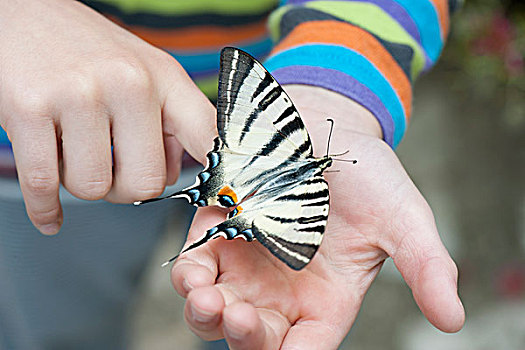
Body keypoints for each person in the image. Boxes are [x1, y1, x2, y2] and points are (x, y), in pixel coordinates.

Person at [0, 0, 465, 349]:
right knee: (56, 322)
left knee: (244, 324)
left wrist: (332, 88)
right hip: (48, 134)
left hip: (272, 81)